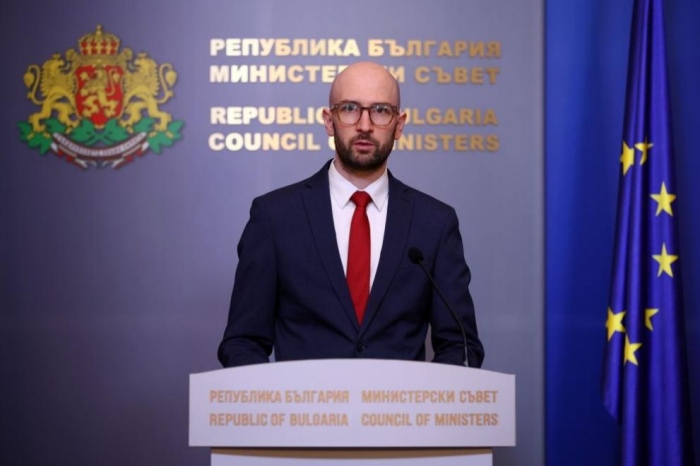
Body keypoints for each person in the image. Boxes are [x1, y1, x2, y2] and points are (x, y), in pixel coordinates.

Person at [217, 61, 484, 368]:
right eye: (349, 108)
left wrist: (431, 396)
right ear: (329, 121)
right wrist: (277, 397)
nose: (364, 125)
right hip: (303, 399)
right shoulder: (275, 217)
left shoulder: (434, 223)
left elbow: (460, 345)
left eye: (381, 110)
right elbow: (243, 341)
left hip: (400, 400)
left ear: (399, 125)